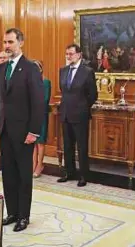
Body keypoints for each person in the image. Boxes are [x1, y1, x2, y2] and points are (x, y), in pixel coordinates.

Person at [0, 28, 44, 232]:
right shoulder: (0, 69)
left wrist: (34, 131)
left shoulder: (30, 68)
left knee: (24, 175)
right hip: (5, 131)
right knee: (8, 174)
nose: (7, 46)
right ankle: (12, 212)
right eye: (5, 42)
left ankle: (24, 215)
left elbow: (38, 102)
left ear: (20, 43)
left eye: (11, 42)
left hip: (24, 133)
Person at [57, 44, 98, 187]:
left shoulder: (87, 71)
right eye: (67, 54)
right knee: (67, 145)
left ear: (79, 54)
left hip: (80, 115)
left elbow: (93, 95)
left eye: (71, 54)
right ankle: (69, 172)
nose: (68, 56)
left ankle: (83, 175)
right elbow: (63, 90)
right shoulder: (63, 70)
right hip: (65, 113)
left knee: (81, 146)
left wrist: (83, 108)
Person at [32, 60, 51, 178]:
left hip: (41, 115)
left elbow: (45, 99)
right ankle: (33, 164)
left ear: (40, 69)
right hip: (31, 116)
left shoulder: (46, 82)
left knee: (40, 142)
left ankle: (40, 165)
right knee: (33, 141)